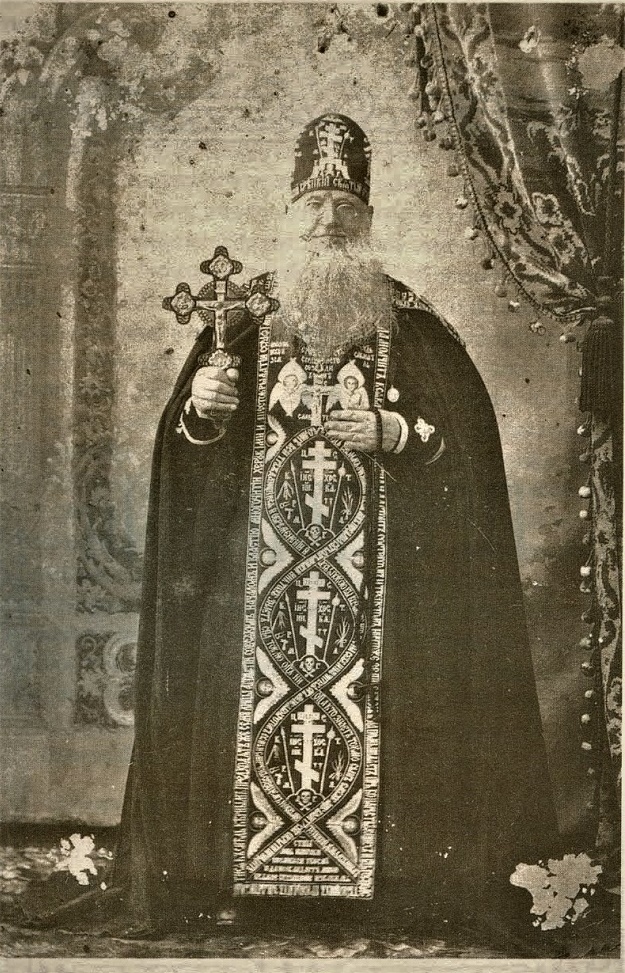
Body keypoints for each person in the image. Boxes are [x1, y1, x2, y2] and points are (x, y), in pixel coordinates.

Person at [24, 114, 560, 944]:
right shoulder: (239, 318)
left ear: (367, 219)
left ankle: (384, 888)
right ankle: (233, 881)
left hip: (381, 591)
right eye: (313, 205)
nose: (328, 222)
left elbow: (464, 451)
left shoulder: (412, 324)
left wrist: (396, 433)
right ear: (286, 212)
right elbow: (187, 458)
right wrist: (201, 413)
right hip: (254, 584)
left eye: (346, 208)